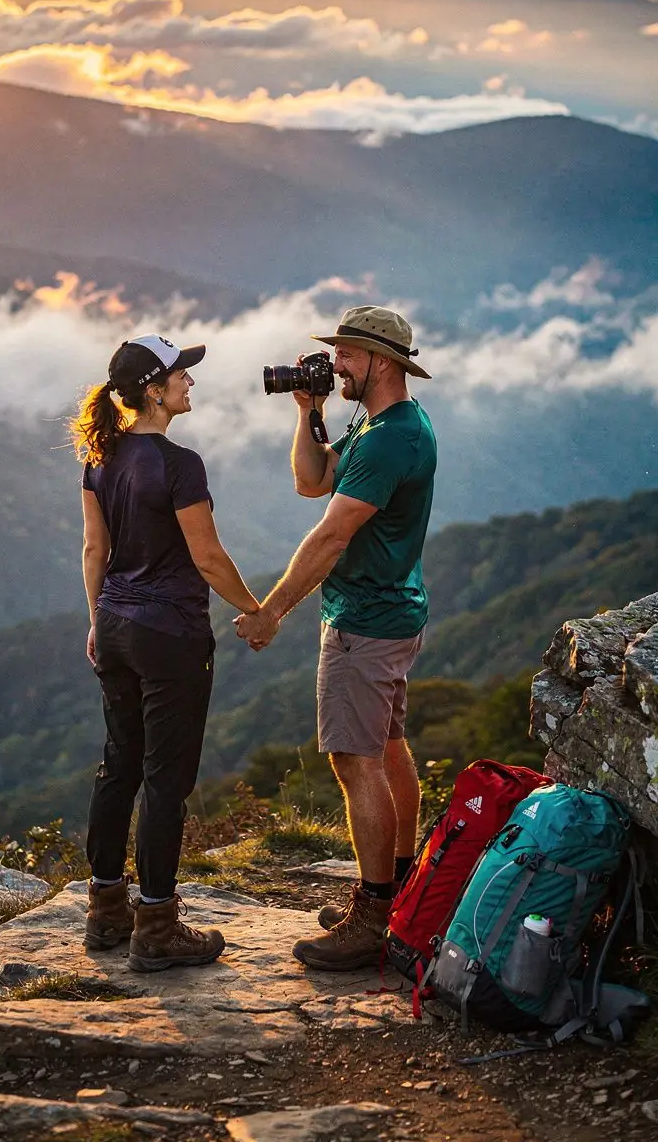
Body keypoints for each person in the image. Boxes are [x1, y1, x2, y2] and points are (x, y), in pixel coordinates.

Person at [235, 306, 436, 970]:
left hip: (364, 624)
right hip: (390, 611)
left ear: (382, 361)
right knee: (385, 745)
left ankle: (373, 918)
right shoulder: (379, 426)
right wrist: (306, 410)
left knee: (355, 763)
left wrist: (271, 612)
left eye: (347, 354)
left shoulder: (388, 440)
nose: (336, 363)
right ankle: (401, 885)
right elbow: (310, 481)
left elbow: (329, 533)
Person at [72, 333, 260, 972]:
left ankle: (105, 913)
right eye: (181, 374)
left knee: (118, 766)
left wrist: (98, 620)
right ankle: (155, 926)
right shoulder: (180, 464)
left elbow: (95, 551)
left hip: (118, 629)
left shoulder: (100, 457)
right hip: (170, 634)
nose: (190, 382)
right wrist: (258, 610)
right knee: (165, 778)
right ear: (154, 389)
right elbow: (207, 556)